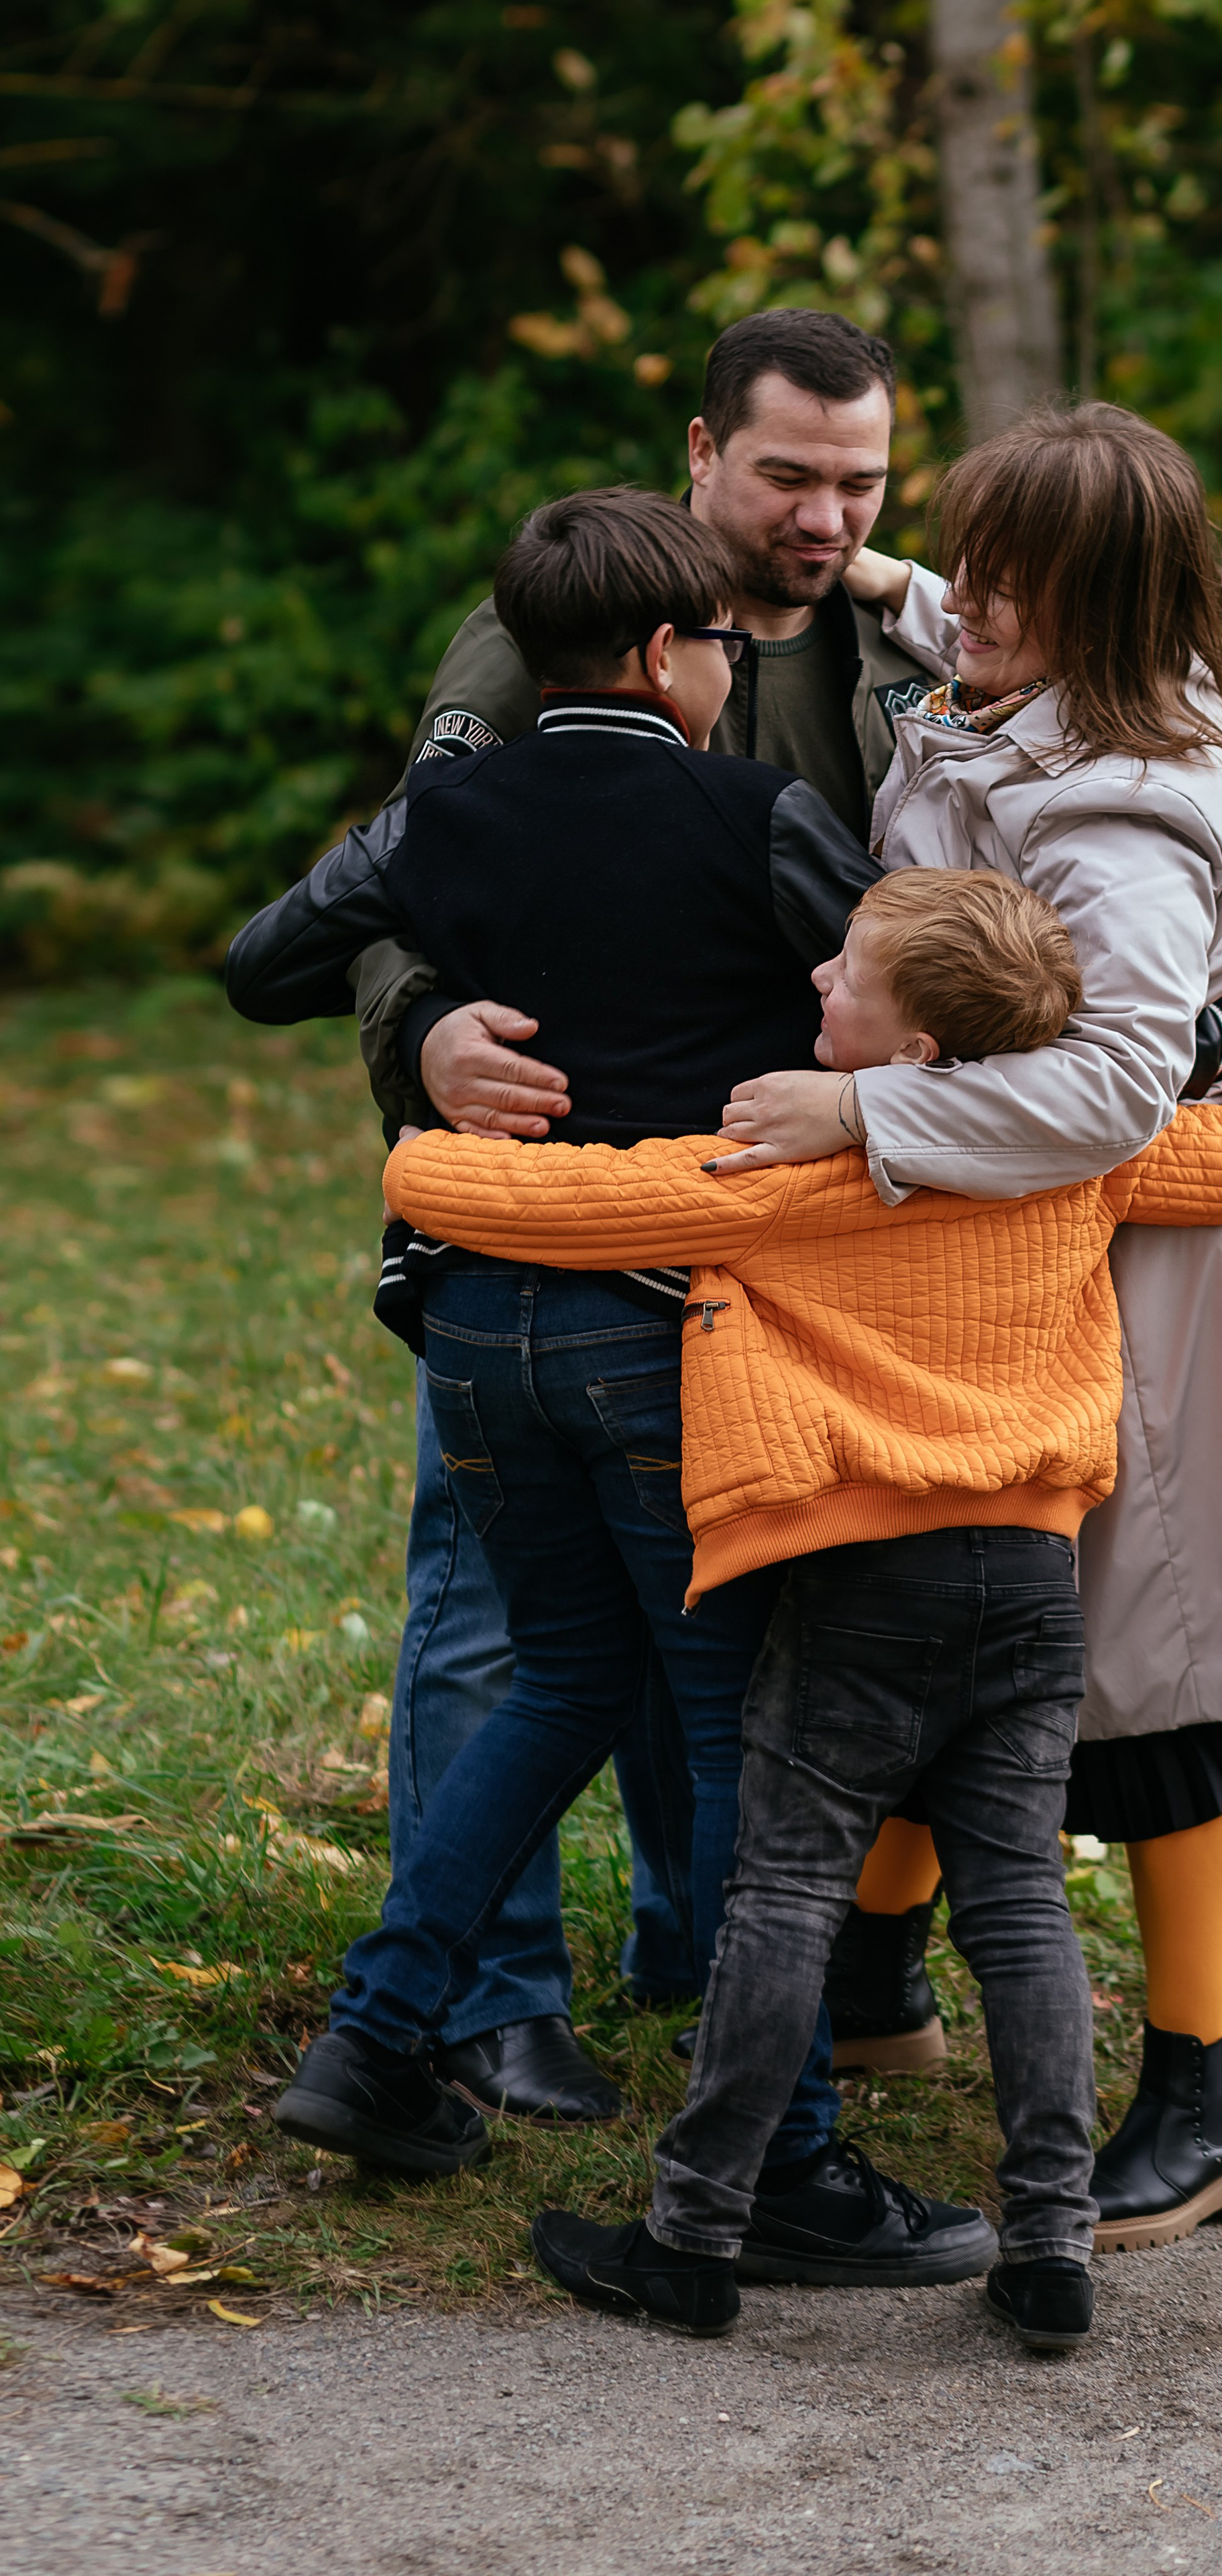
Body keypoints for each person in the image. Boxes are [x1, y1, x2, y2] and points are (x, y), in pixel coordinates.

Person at [368, 866, 1222, 2346]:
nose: (816, 977)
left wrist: (422, 1134)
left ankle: (689, 2236)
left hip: (858, 1586)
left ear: (919, 1051)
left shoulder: (790, 1180)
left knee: (781, 1895)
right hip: (1027, 1582)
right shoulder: (1087, 1159)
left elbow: (523, 1199)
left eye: (850, 974)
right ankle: (1050, 2247)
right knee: (1016, 1903)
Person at [229, 307, 949, 2105]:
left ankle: (677, 1967)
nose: (822, 515)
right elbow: (432, 863)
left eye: (859, 484)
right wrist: (431, 1028)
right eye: (788, 475)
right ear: (699, 456)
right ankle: (512, 2005)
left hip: (754, 1217)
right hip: (582, 1211)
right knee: (559, 1631)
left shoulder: (903, 636)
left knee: (671, 1631)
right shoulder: (540, 630)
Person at [706, 402, 1222, 2253]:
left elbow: (1107, 1088)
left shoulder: (1133, 817)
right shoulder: (1030, 668)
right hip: (1035, 1258)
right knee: (958, 1611)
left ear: (1103, 609)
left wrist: (862, 1115)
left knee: (1168, 1684)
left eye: (1014, 578)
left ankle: (1200, 2107)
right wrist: (874, 570)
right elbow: (953, 618)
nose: (972, 601)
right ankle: (868, 1998)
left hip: (1167, 1290)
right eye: (971, 557)